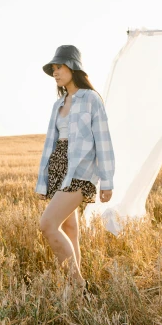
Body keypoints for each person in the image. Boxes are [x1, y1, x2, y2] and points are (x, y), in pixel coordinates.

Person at [35, 45, 115, 292]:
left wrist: (107, 180)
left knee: (47, 225)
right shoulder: (58, 104)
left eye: (60, 67)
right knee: (69, 228)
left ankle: (78, 285)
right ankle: (75, 295)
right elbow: (51, 143)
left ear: (74, 68)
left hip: (80, 171)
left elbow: (102, 139)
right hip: (59, 168)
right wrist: (43, 180)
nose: (56, 72)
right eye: (54, 69)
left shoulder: (91, 99)